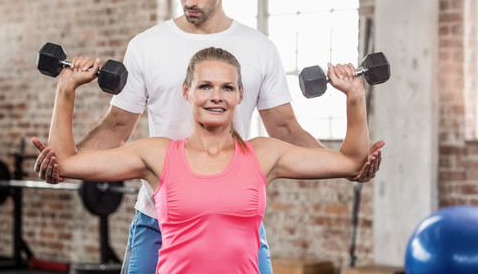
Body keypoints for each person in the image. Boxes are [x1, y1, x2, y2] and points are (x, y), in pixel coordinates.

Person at [32, 0, 384, 274]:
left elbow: (287, 130)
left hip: (235, 216)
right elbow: (116, 127)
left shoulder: (259, 48)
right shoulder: (147, 45)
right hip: (159, 217)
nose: (190, 2)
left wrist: (341, 164)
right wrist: (67, 162)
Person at [38, 46, 378, 274]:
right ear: (187, 92)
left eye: (227, 88)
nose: (216, 96)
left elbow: (350, 161)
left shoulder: (263, 155)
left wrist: (354, 96)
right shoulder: (157, 155)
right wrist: (66, 89)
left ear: (240, 96)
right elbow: (66, 162)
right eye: (205, 86)